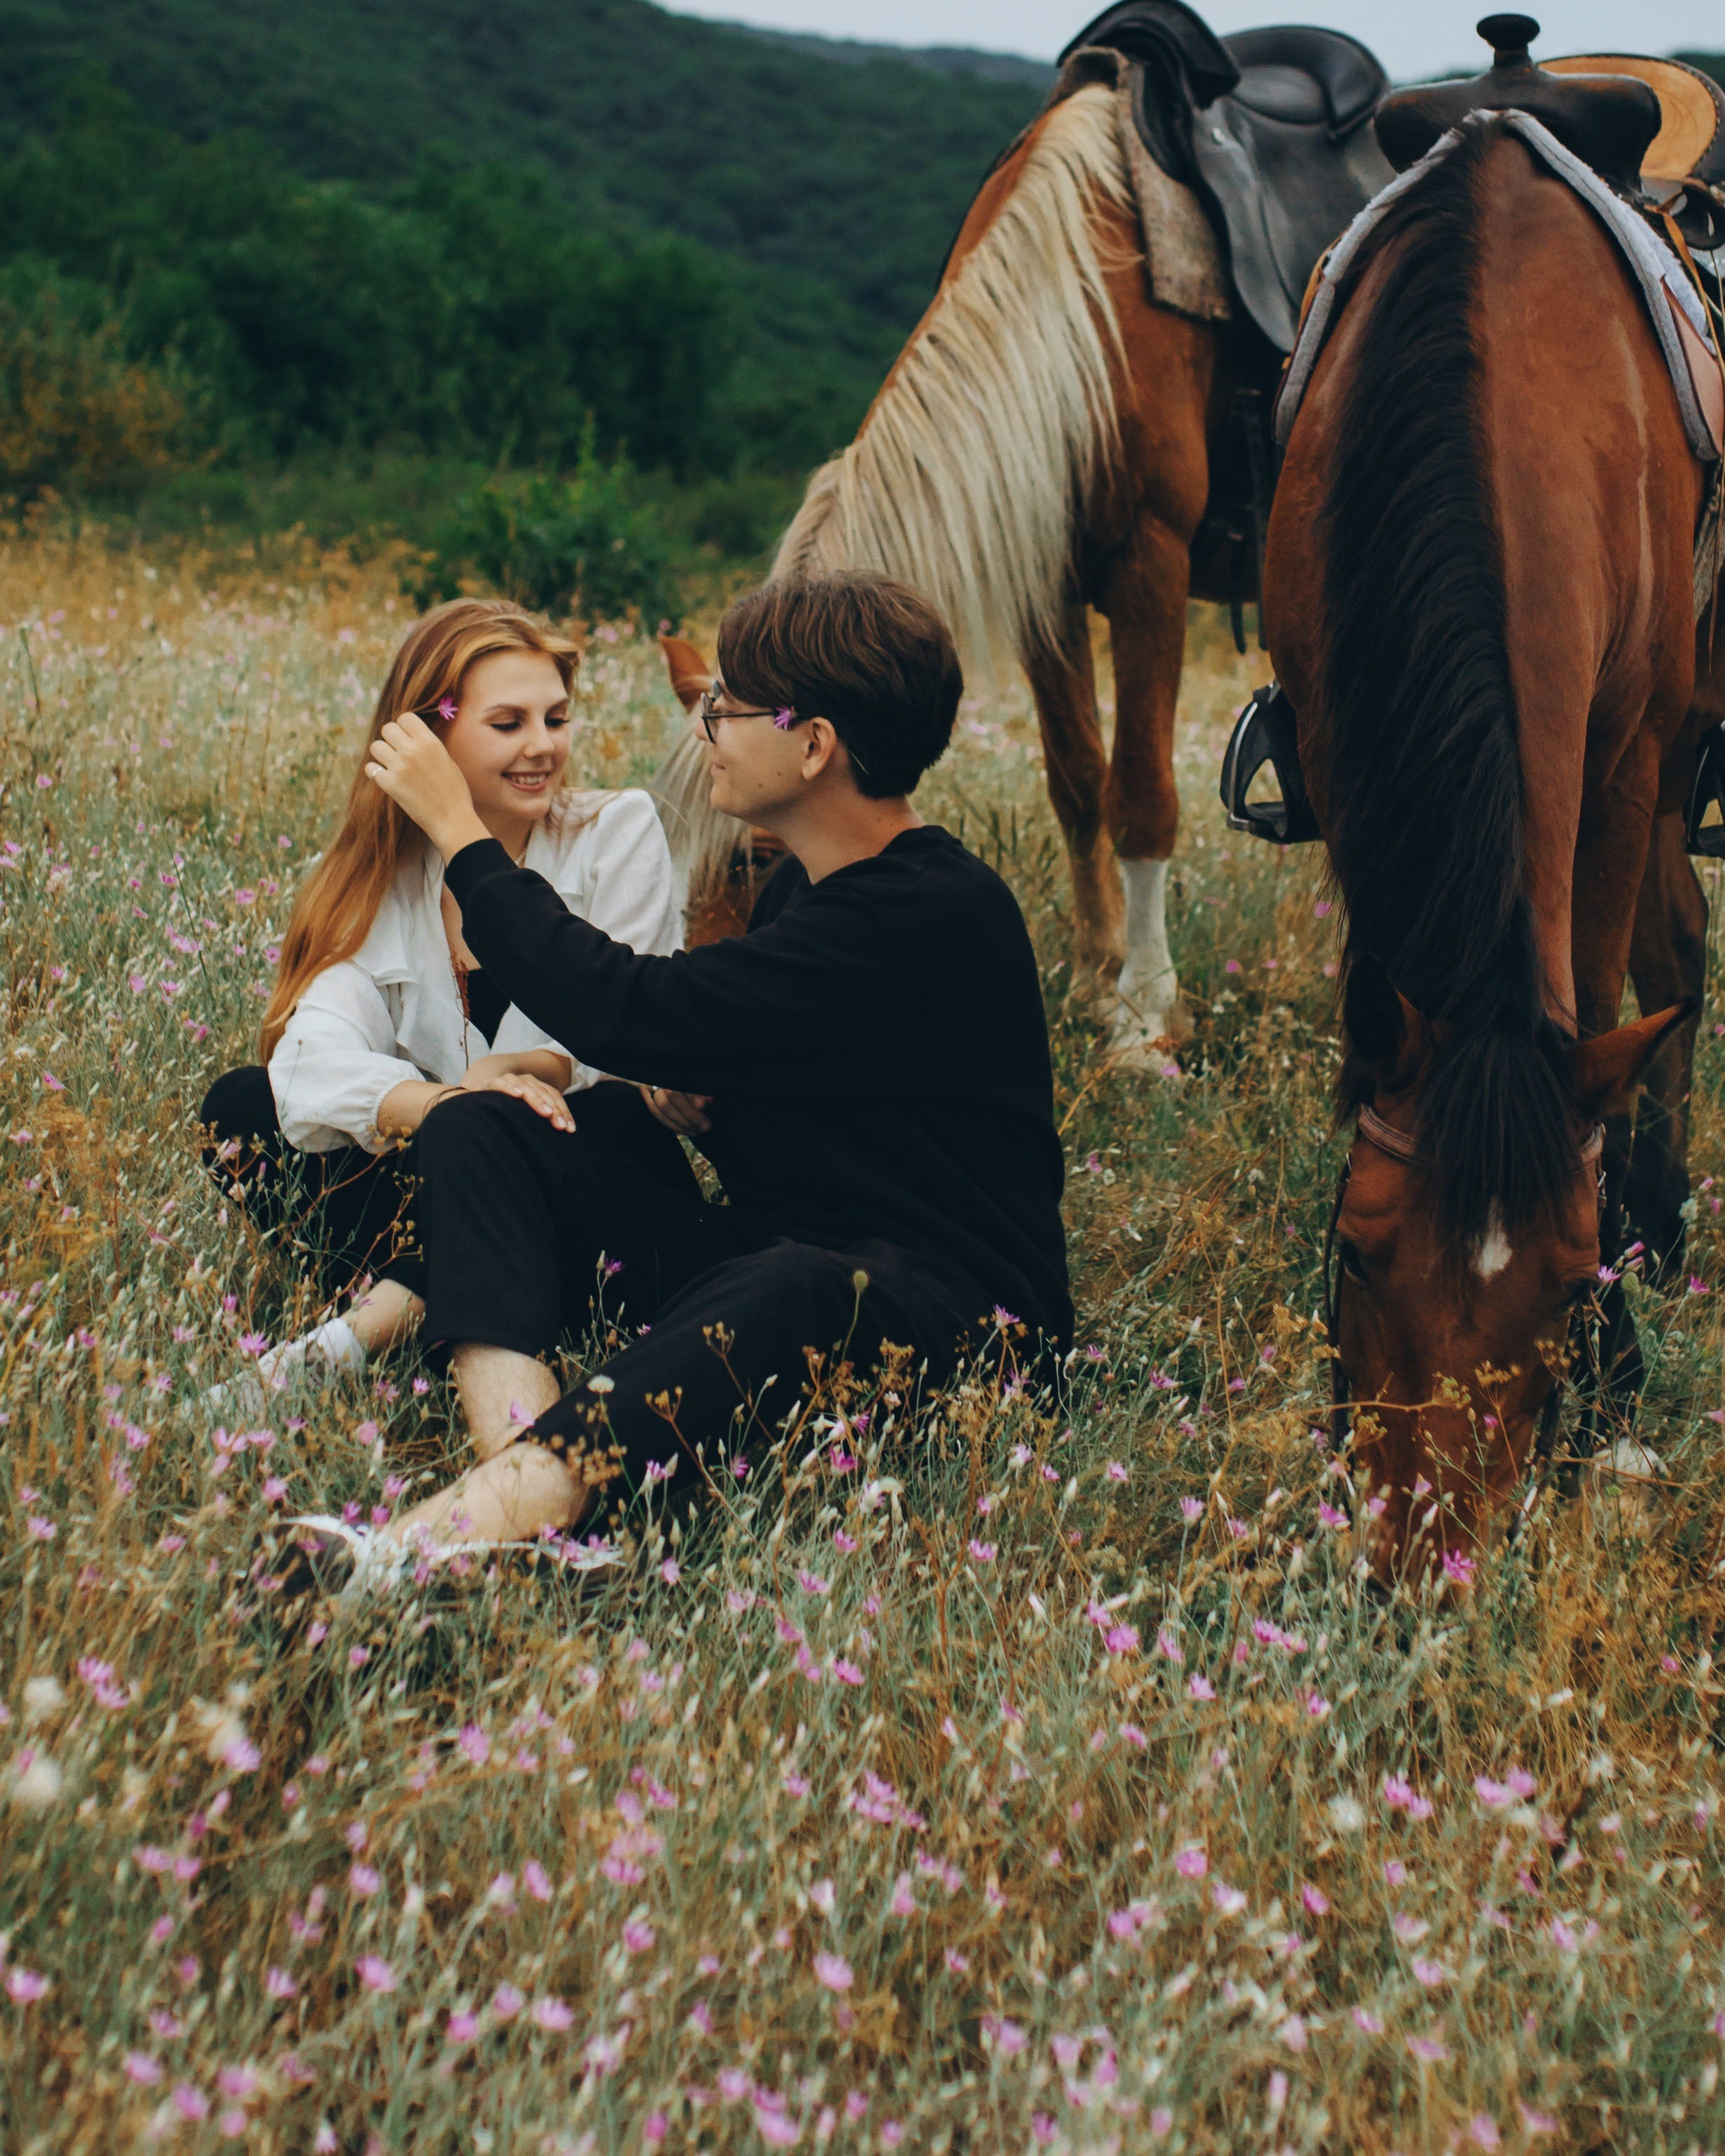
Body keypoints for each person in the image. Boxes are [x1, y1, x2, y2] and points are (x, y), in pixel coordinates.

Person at [292, 571, 1072, 1596]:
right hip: (774, 1251)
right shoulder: (807, 885)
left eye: (727, 706)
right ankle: (521, 1501)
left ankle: (419, 1548)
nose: (704, 725)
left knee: (790, 1284)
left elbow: (627, 1005)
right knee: (486, 1122)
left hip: (954, 1317)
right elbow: (809, 1079)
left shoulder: (935, 908)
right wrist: (690, 1098)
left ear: (812, 744)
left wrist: (464, 839)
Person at [199, 597, 687, 1417]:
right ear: (428, 737)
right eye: (508, 723)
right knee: (244, 1105)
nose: (544, 745)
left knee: (572, 1121)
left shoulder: (618, 829)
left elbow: (620, 1031)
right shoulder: (382, 877)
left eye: (556, 717)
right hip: (461, 1190)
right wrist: (448, 1103)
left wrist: (519, 1075)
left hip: (599, 1188)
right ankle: (444, 1305)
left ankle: (364, 1333)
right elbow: (310, 1061)